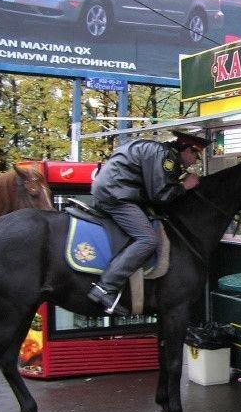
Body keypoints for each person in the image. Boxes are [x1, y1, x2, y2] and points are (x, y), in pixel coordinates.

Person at [88, 130, 210, 315]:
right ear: (185, 150)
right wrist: (185, 186)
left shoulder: (160, 153)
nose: (194, 161)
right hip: (117, 195)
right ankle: (105, 287)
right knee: (148, 239)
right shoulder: (165, 157)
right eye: (195, 155)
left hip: (114, 190)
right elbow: (159, 194)